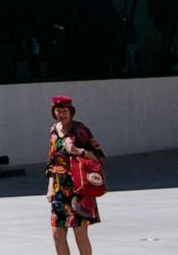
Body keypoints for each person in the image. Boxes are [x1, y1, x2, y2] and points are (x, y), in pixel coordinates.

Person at [46, 94, 105, 255]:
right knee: (57, 234)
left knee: (80, 234)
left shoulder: (80, 130)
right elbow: (52, 161)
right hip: (59, 190)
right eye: (58, 111)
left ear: (71, 111)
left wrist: (79, 151)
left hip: (79, 190)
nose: (61, 114)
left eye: (64, 110)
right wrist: (50, 188)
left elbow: (99, 156)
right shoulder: (53, 130)